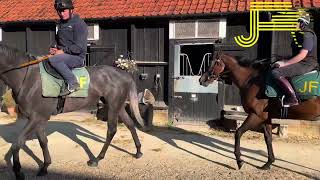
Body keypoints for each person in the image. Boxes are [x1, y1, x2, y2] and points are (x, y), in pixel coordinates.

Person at [271, 12, 318, 107]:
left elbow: (302, 55)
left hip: (306, 64)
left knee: (276, 73)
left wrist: (285, 63)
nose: (292, 24)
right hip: (303, 62)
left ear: (302, 23)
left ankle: (292, 98)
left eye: (294, 22)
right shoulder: (301, 33)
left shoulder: (307, 35)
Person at [49, 0, 88, 96]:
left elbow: (79, 47)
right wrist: (54, 48)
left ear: (71, 10)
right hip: (64, 55)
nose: (62, 14)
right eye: (59, 11)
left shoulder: (79, 24)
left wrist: (62, 51)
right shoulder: (61, 25)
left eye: (64, 10)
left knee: (54, 60)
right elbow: (59, 42)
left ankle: (73, 82)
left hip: (77, 57)